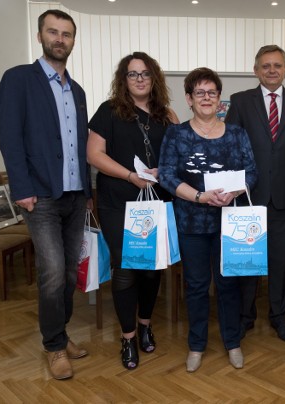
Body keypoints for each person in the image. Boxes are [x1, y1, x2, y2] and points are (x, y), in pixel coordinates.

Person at [0, 9, 90, 380]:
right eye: (53, 32)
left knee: (68, 272)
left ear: (72, 40)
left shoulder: (78, 90)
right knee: (51, 271)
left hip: (75, 194)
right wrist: (21, 188)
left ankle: (61, 333)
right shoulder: (19, 79)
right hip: (40, 195)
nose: (60, 39)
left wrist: (87, 190)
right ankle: (53, 347)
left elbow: (79, 144)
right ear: (40, 36)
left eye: (66, 34)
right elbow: (10, 137)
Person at [159, 67, 258, 372]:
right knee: (197, 286)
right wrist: (200, 197)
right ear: (189, 99)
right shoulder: (176, 134)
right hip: (191, 222)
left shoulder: (237, 134)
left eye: (211, 92)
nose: (206, 98)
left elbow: (251, 172)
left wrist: (233, 193)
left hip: (230, 223)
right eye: (199, 93)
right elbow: (166, 174)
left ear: (219, 99)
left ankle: (232, 341)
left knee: (229, 285)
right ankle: (196, 344)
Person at [87, 52, 179, 370]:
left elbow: (178, 158)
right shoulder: (108, 112)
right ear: (123, 79)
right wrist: (130, 175)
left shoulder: (168, 115)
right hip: (118, 204)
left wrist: (162, 169)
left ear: (154, 78)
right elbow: (93, 154)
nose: (139, 79)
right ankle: (127, 338)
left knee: (151, 269)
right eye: (132, 74)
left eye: (145, 74)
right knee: (125, 269)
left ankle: (144, 324)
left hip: (157, 203)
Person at [225, 45, 285, 342]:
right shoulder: (240, 101)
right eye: (266, 66)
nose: (272, 70)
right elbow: (230, 149)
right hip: (248, 196)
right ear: (256, 70)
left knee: (279, 262)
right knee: (248, 262)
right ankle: (245, 317)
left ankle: (279, 317)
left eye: (277, 65)